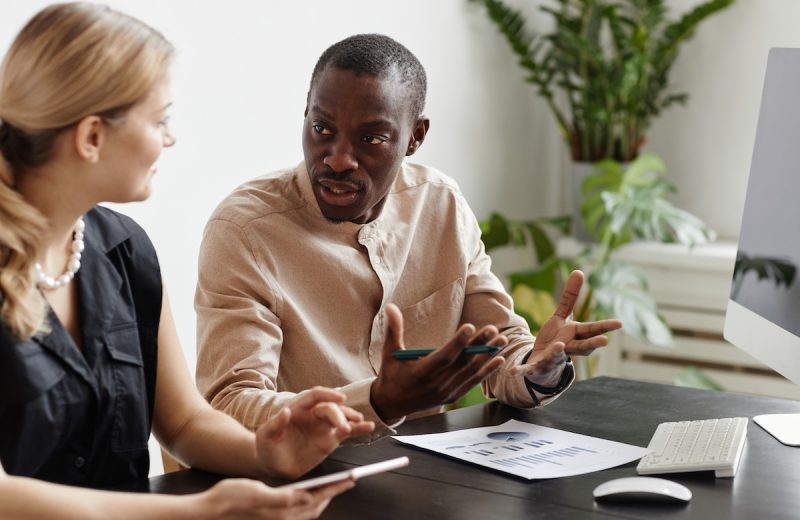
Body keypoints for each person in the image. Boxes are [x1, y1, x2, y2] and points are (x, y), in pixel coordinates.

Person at [0, 4, 374, 519]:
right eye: (160, 120)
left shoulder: (125, 249)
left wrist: (267, 452)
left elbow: (183, 423)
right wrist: (198, 511)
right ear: (91, 137)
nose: (170, 138)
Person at [195, 33, 622, 441]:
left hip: (422, 480)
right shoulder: (245, 231)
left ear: (415, 136)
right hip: (299, 486)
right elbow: (230, 407)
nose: (339, 159)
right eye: (322, 129)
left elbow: (498, 351)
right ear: (305, 113)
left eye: (371, 138)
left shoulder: (440, 204)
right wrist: (374, 403)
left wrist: (537, 367)